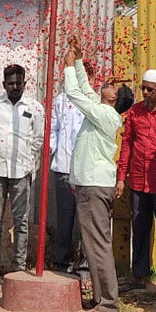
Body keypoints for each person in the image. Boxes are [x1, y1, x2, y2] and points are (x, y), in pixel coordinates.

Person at [62, 37, 128, 312]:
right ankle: (103, 300)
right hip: (91, 184)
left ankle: (109, 303)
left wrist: (67, 68)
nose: (108, 84)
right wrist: (77, 59)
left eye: (114, 86)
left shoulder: (107, 115)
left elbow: (76, 96)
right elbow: (86, 90)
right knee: (93, 244)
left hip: (94, 185)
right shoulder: (102, 110)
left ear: (114, 99)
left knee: (98, 244)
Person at [0, 63, 44, 290]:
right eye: (10, 83)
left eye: (18, 83)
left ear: (25, 83)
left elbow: (38, 139)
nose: (15, 87)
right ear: (4, 84)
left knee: (21, 221)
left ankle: (18, 268)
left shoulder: (34, 108)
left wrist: (29, 164)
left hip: (21, 171)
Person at [116, 69, 156, 299]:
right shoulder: (135, 112)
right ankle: (138, 276)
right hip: (139, 182)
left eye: (150, 89)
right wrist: (122, 177)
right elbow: (127, 144)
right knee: (140, 230)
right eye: (143, 88)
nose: (144, 92)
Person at [49, 60, 92, 272]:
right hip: (64, 167)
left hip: (86, 171)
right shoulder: (61, 99)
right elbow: (53, 129)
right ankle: (61, 261)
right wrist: (51, 150)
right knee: (64, 218)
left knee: (85, 218)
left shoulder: (92, 100)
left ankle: (84, 264)